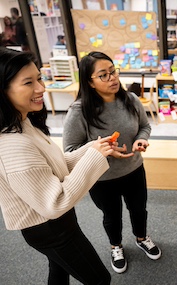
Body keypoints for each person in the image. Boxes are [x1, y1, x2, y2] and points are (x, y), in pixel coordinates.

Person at [0, 47, 133, 284]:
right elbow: (55, 202)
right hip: (50, 229)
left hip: (56, 224)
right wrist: (94, 157)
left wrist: (92, 149)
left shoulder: (23, 123)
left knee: (59, 269)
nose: (41, 88)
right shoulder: (12, 145)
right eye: (28, 83)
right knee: (100, 278)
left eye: (39, 78)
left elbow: (54, 166)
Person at [62, 51, 162, 274]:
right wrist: (104, 152)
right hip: (102, 178)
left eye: (113, 71)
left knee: (139, 209)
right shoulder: (79, 112)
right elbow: (69, 152)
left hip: (134, 169)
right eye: (103, 75)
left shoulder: (131, 100)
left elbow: (145, 127)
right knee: (111, 216)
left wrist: (140, 140)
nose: (113, 78)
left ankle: (141, 237)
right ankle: (115, 246)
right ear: (90, 82)